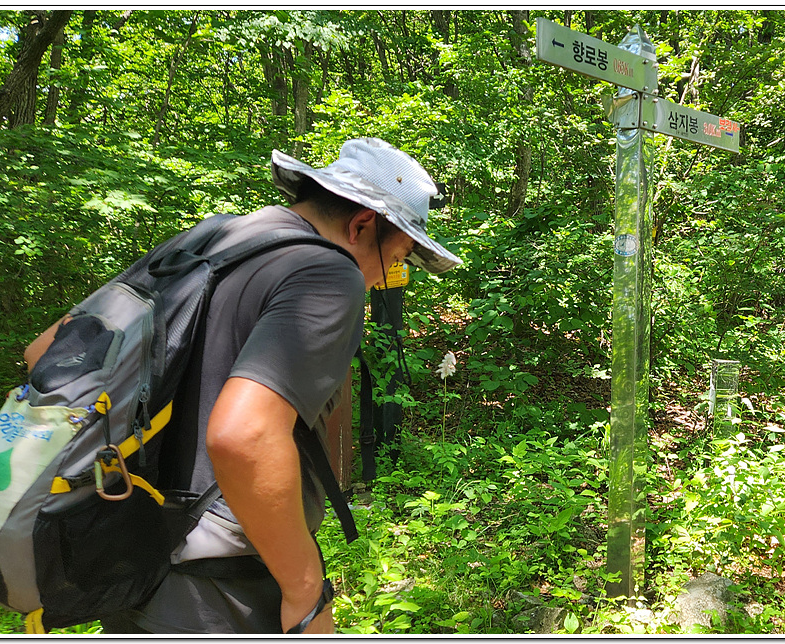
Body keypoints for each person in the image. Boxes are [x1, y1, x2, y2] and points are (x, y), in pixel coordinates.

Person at [23, 138, 461, 633]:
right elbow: (243, 436)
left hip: (130, 554)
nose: (384, 280)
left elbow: (46, 352)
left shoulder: (211, 238)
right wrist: (305, 591)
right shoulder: (330, 274)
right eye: (396, 260)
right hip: (219, 589)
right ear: (361, 225)